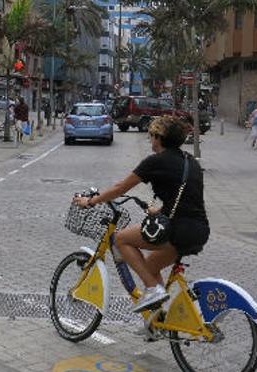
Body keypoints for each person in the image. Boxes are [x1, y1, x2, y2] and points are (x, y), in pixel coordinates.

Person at [73, 116, 209, 313]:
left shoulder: (155, 162)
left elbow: (120, 188)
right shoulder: (191, 162)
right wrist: (160, 211)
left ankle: (153, 290)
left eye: (151, 136)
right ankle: (157, 319)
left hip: (178, 230)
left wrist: (91, 201)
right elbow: (189, 200)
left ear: (159, 138)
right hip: (199, 230)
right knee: (151, 266)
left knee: (120, 239)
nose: (150, 140)